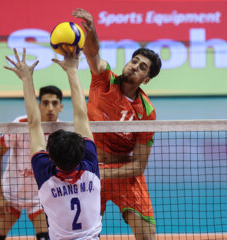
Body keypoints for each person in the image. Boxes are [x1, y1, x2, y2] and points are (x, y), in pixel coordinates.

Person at [73, 8, 162, 240]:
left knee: (147, 235)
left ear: (147, 79)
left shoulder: (146, 112)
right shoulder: (104, 81)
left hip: (122, 172)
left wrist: (103, 175)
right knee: (82, 234)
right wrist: (91, 32)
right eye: (135, 61)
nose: (135, 66)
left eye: (142, 67)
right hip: (89, 167)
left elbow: (139, 166)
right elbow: (92, 53)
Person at [4, 47, 102, 240]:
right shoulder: (91, 167)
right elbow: (82, 116)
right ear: (82, 152)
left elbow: (33, 123)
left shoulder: (44, 174)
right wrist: (73, 70)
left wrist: (26, 78)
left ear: (51, 157)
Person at [0, 85, 63, 240]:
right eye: (45, 102)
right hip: (10, 195)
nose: (50, 108)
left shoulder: (61, 132)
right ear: (38, 105)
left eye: (54, 103)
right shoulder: (21, 124)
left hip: (41, 199)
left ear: (61, 107)